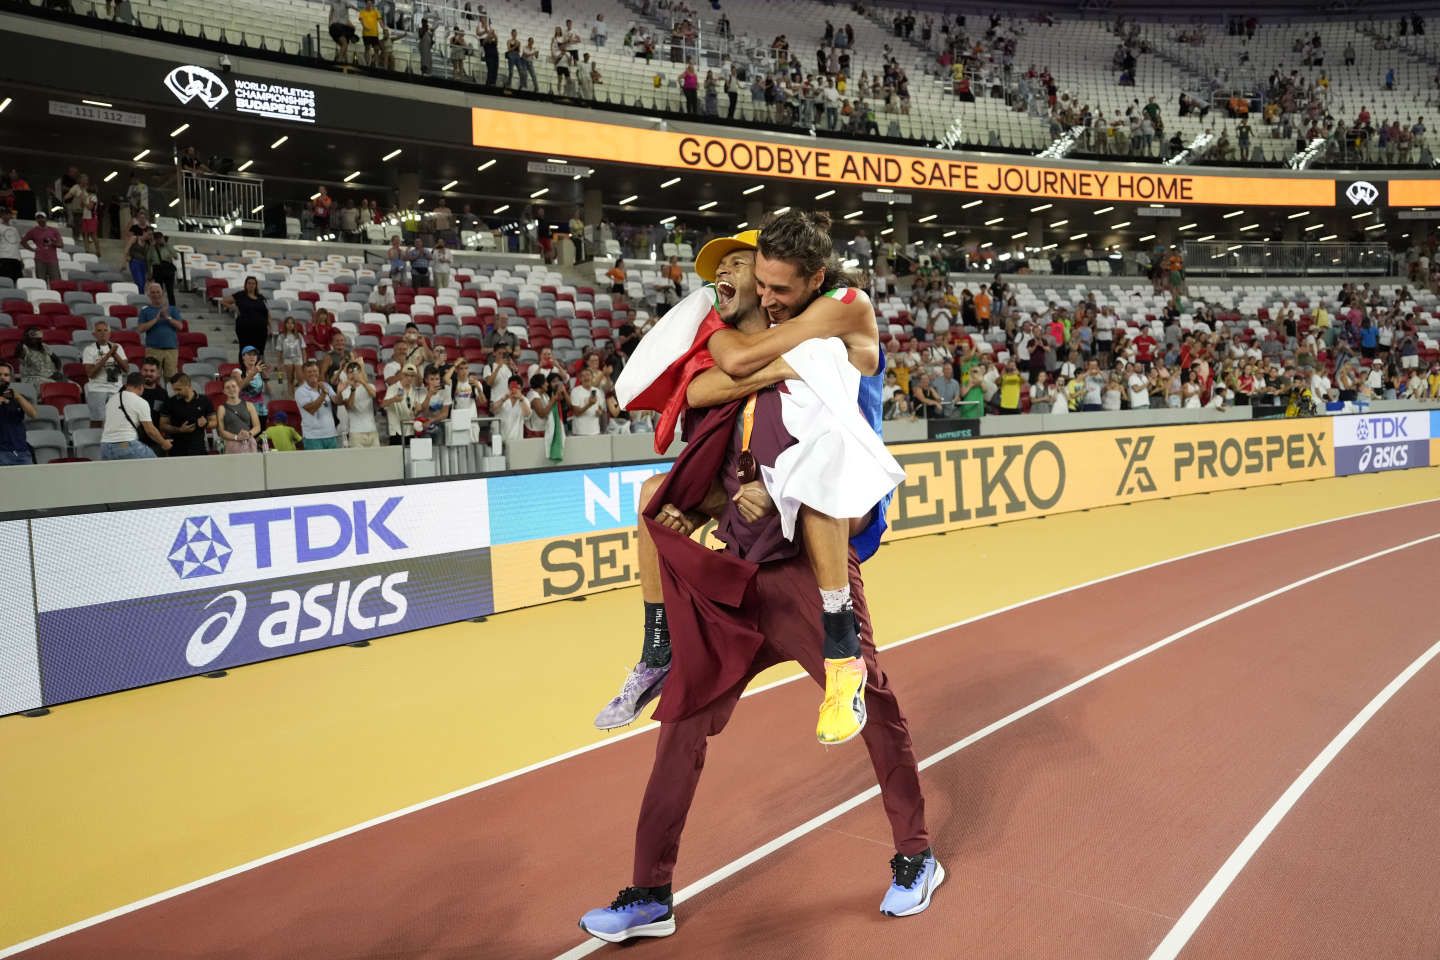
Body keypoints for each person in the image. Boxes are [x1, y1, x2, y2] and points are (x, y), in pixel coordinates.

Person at [580, 221, 936, 944]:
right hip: (733, 574)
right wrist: (775, 366)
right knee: (678, 729)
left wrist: (785, 369)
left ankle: (916, 856)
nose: (765, 297)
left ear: (811, 281)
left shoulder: (843, 318)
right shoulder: (726, 342)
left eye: (778, 286)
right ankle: (650, 892)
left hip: (806, 564)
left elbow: (837, 368)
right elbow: (708, 383)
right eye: (754, 281)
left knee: (871, 699)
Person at [100, 372, 171, 459]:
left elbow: (104, 424)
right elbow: (150, 431)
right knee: (154, 466)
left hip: (105, 447)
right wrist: (164, 443)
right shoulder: (140, 402)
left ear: (126, 385)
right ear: (141, 387)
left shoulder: (111, 400)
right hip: (126, 445)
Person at [81, 320, 130, 423]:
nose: (103, 333)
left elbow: (126, 369)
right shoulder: (89, 349)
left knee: (116, 420)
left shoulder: (117, 347)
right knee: (97, 421)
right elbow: (91, 374)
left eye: (105, 330)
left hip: (116, 389)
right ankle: (94, 439)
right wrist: (108, 355)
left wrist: (114, 354)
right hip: (97, 389)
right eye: (99, 330)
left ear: (110, 333)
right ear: (94, 334)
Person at [135, 282, 183, 380]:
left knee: (172, 378)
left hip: (171, 349)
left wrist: (167, 317)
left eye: (158, 292)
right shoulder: (145, 311)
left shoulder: (172, 309)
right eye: (153, 292)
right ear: (149, 295)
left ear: (162, 293)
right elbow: (140, 329)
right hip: (153, 349)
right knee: (151, 377)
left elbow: (180, 326)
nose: (156, 294)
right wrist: (155, 319)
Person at [159, 373, 215, 457]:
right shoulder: (170, 402)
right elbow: (162, 425)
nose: (176, 392)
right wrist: (179, 430)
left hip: (199, 449)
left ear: (188, 385)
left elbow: (215, 421)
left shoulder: (204, 400)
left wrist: (206, 423)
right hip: (176, 450)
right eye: (174, 389)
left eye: (179, 389)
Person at [221, 277, 270, 361]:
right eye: (249, 283)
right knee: (245, 349)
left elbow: (266, 312)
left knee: (259, 351)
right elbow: (223, 301)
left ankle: (257, 372)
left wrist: (269, 326)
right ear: (246, 285)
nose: (251, 285)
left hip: (261, 329)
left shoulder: (260, 297)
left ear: (256, 285)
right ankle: (244, 371)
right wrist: (234, 308)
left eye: (253, 283)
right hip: (245, 328)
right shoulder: (240, 295)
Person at [295, 360, 340, 449]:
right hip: (313, 437)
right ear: (304, 374)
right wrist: (323, 394)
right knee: (316, 463)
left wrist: (343, 388)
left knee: (334, 463)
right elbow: (312, 409)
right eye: (309, 372)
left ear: (319, 372)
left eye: (315, 371)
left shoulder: (325, 385)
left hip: (331, 434)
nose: (313, 374)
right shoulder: (300, 391)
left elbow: (337, 400)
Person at [0, 361, 38, 466]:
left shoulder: (16, 397)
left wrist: (18, 397)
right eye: (0, 375)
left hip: (22, 451)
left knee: (28, 481)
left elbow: (33, 414)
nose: (3, 377)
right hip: (1, 452)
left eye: (6, 375)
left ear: (11, 378)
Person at [338, 361, 379, 447]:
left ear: (360, 372)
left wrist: (362, 382)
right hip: (356, 433)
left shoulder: (370, 386)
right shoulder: (345, 391)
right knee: (358, 460)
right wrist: (353, 389)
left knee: (376, 459)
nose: (353, 375)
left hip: (372, 431)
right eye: (350, 372)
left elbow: (373, 394)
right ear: (347, 375)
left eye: (356, 372)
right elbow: (350, 406)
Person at [21, 212, 63, 284]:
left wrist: (52, 243)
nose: (41, 219)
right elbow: (23, 241)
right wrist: (32, 249)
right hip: (39, 259)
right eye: (38, 218)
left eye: (42, 217)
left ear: (46, 219)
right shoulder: (33, 231)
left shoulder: (53, 230)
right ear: (36, 220)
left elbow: (61, 245)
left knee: (55, 281)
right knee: (41, 281)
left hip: (52, 259)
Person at [277, 316, 307, 398]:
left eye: (292, 323)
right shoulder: (281, 336)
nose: (290, 325)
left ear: (294, 325)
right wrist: (279, 363)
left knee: (300, 378)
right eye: (288, 323)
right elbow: (279, 351)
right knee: (290, 379)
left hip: (298, 358)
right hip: (287, 359)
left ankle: (302, 396)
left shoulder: (299, 336)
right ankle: (292, 396)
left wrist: (304, 362)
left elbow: (303, 349)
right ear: (285, 324)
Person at [147, 231, 179, 306]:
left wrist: (166, 245)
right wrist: (149, 273)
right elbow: (148, 260)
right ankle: (159, 305)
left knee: (170, 290)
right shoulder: (152, 248)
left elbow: (176, 256)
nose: (159, 240)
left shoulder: (168, 246)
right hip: (157, 269)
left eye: (160, 238)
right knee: (159, 290)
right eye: (157, 239)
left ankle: (172, 307)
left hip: (168, 268)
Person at [496, 374, 527, 447]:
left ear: (521, 388)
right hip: (501, 440)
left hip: (517, 441)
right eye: (511, 388)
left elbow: (527, 414)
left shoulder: (524, 400)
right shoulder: (501, 397)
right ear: (508, 387)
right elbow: (493, 409)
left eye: (517, 388)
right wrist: (504, 399)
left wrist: (521, 399)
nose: (514, 390)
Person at [0, 207, 21, 284]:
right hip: (4, 257)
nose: (7, 216)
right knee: (5, 280)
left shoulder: (14, 229)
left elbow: (17, 244)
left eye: (8, 214)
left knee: (17, 281)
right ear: (1, 215)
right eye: (5, 214)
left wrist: (20, 258)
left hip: (16, 258)